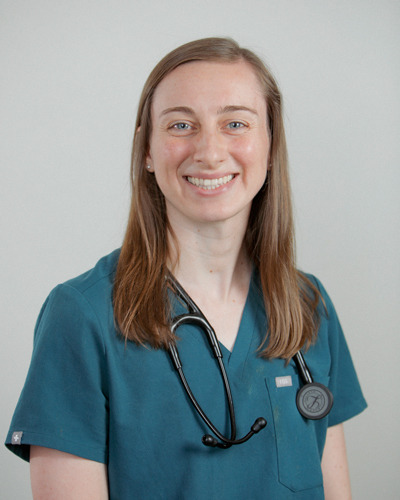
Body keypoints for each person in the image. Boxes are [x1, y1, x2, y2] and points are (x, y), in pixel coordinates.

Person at [5, 37, 366, 499]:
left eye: (236, 123)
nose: (210, 152)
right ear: (148, 152)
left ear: (271, 146)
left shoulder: (308, 305)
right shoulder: (82, 316)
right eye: (181, 125)